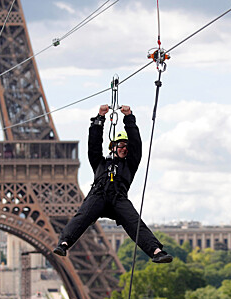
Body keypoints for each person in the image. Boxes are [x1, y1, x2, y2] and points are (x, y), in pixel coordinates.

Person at [53, 104, 173, 263]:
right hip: (99, 195)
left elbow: (136, 144)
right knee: (81, 217)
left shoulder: (130, 164)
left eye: (127, 146)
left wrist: (129, 117)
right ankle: (64, 243)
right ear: (114, 147)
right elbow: (94, 145)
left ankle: (156, 251)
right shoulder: (100, 163)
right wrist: (99, 119)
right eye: (122, 145)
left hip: (118, 198)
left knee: (135, 223)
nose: (125, 149)